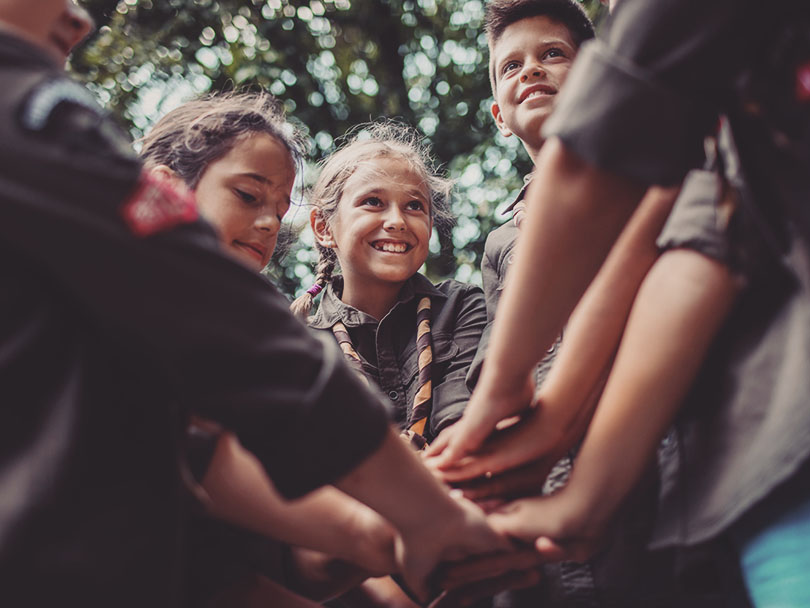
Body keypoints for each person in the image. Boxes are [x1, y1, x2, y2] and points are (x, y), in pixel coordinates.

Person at [0, 2, 510, 604]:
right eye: (247, 196)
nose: (80, 20)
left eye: (278, 207)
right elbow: (247, 339)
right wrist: (426, 517)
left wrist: (376, 533)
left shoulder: (458, 308)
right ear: (164, 186)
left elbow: (202, 464)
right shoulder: (25, 107)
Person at [430, 0, 810, 604]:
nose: (532, 71)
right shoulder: (504, 243)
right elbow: (701, 249)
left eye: (555, 54)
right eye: (511, 66)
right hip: (663, 476)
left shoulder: (675, 144)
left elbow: (608, 182)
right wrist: (544, 439)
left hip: (711, 446)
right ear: (498, 115)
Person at [288, 121, 490, 606]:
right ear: (323, 228)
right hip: (353, 580)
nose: (397, 220)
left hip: (468, 552)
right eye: (372, 202)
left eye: (414, 206)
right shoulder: (296, 342)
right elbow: (312, 483)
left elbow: (462, 434)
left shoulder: (461, 307)